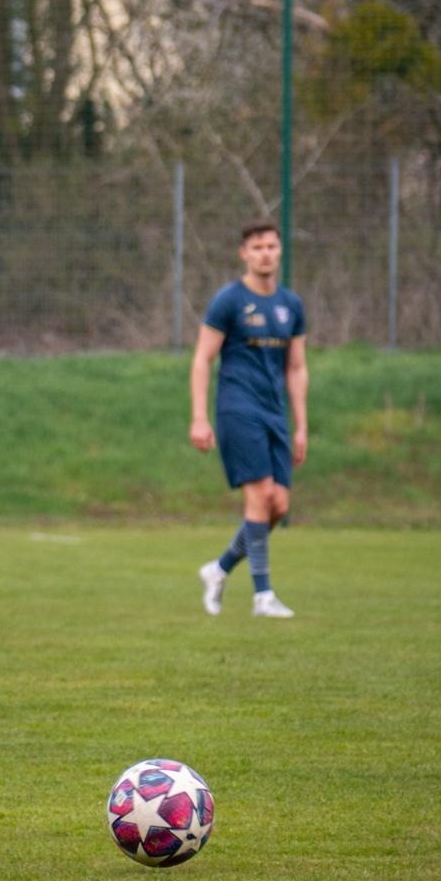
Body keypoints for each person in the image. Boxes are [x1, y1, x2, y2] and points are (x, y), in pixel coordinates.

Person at [189, 221, 307, 618]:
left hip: (275, 414)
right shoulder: (229, 301)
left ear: (280, 251)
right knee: (259, 497)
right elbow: (203, 358)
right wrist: (199, 418)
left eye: (272, 246)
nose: (265, 254)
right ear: (244, 253)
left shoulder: (291, 305)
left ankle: (219, 569)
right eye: (257, 247)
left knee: (278, 505)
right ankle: (263, 597)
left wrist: (302, 424)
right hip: (237, 408)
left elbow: (296, 368)